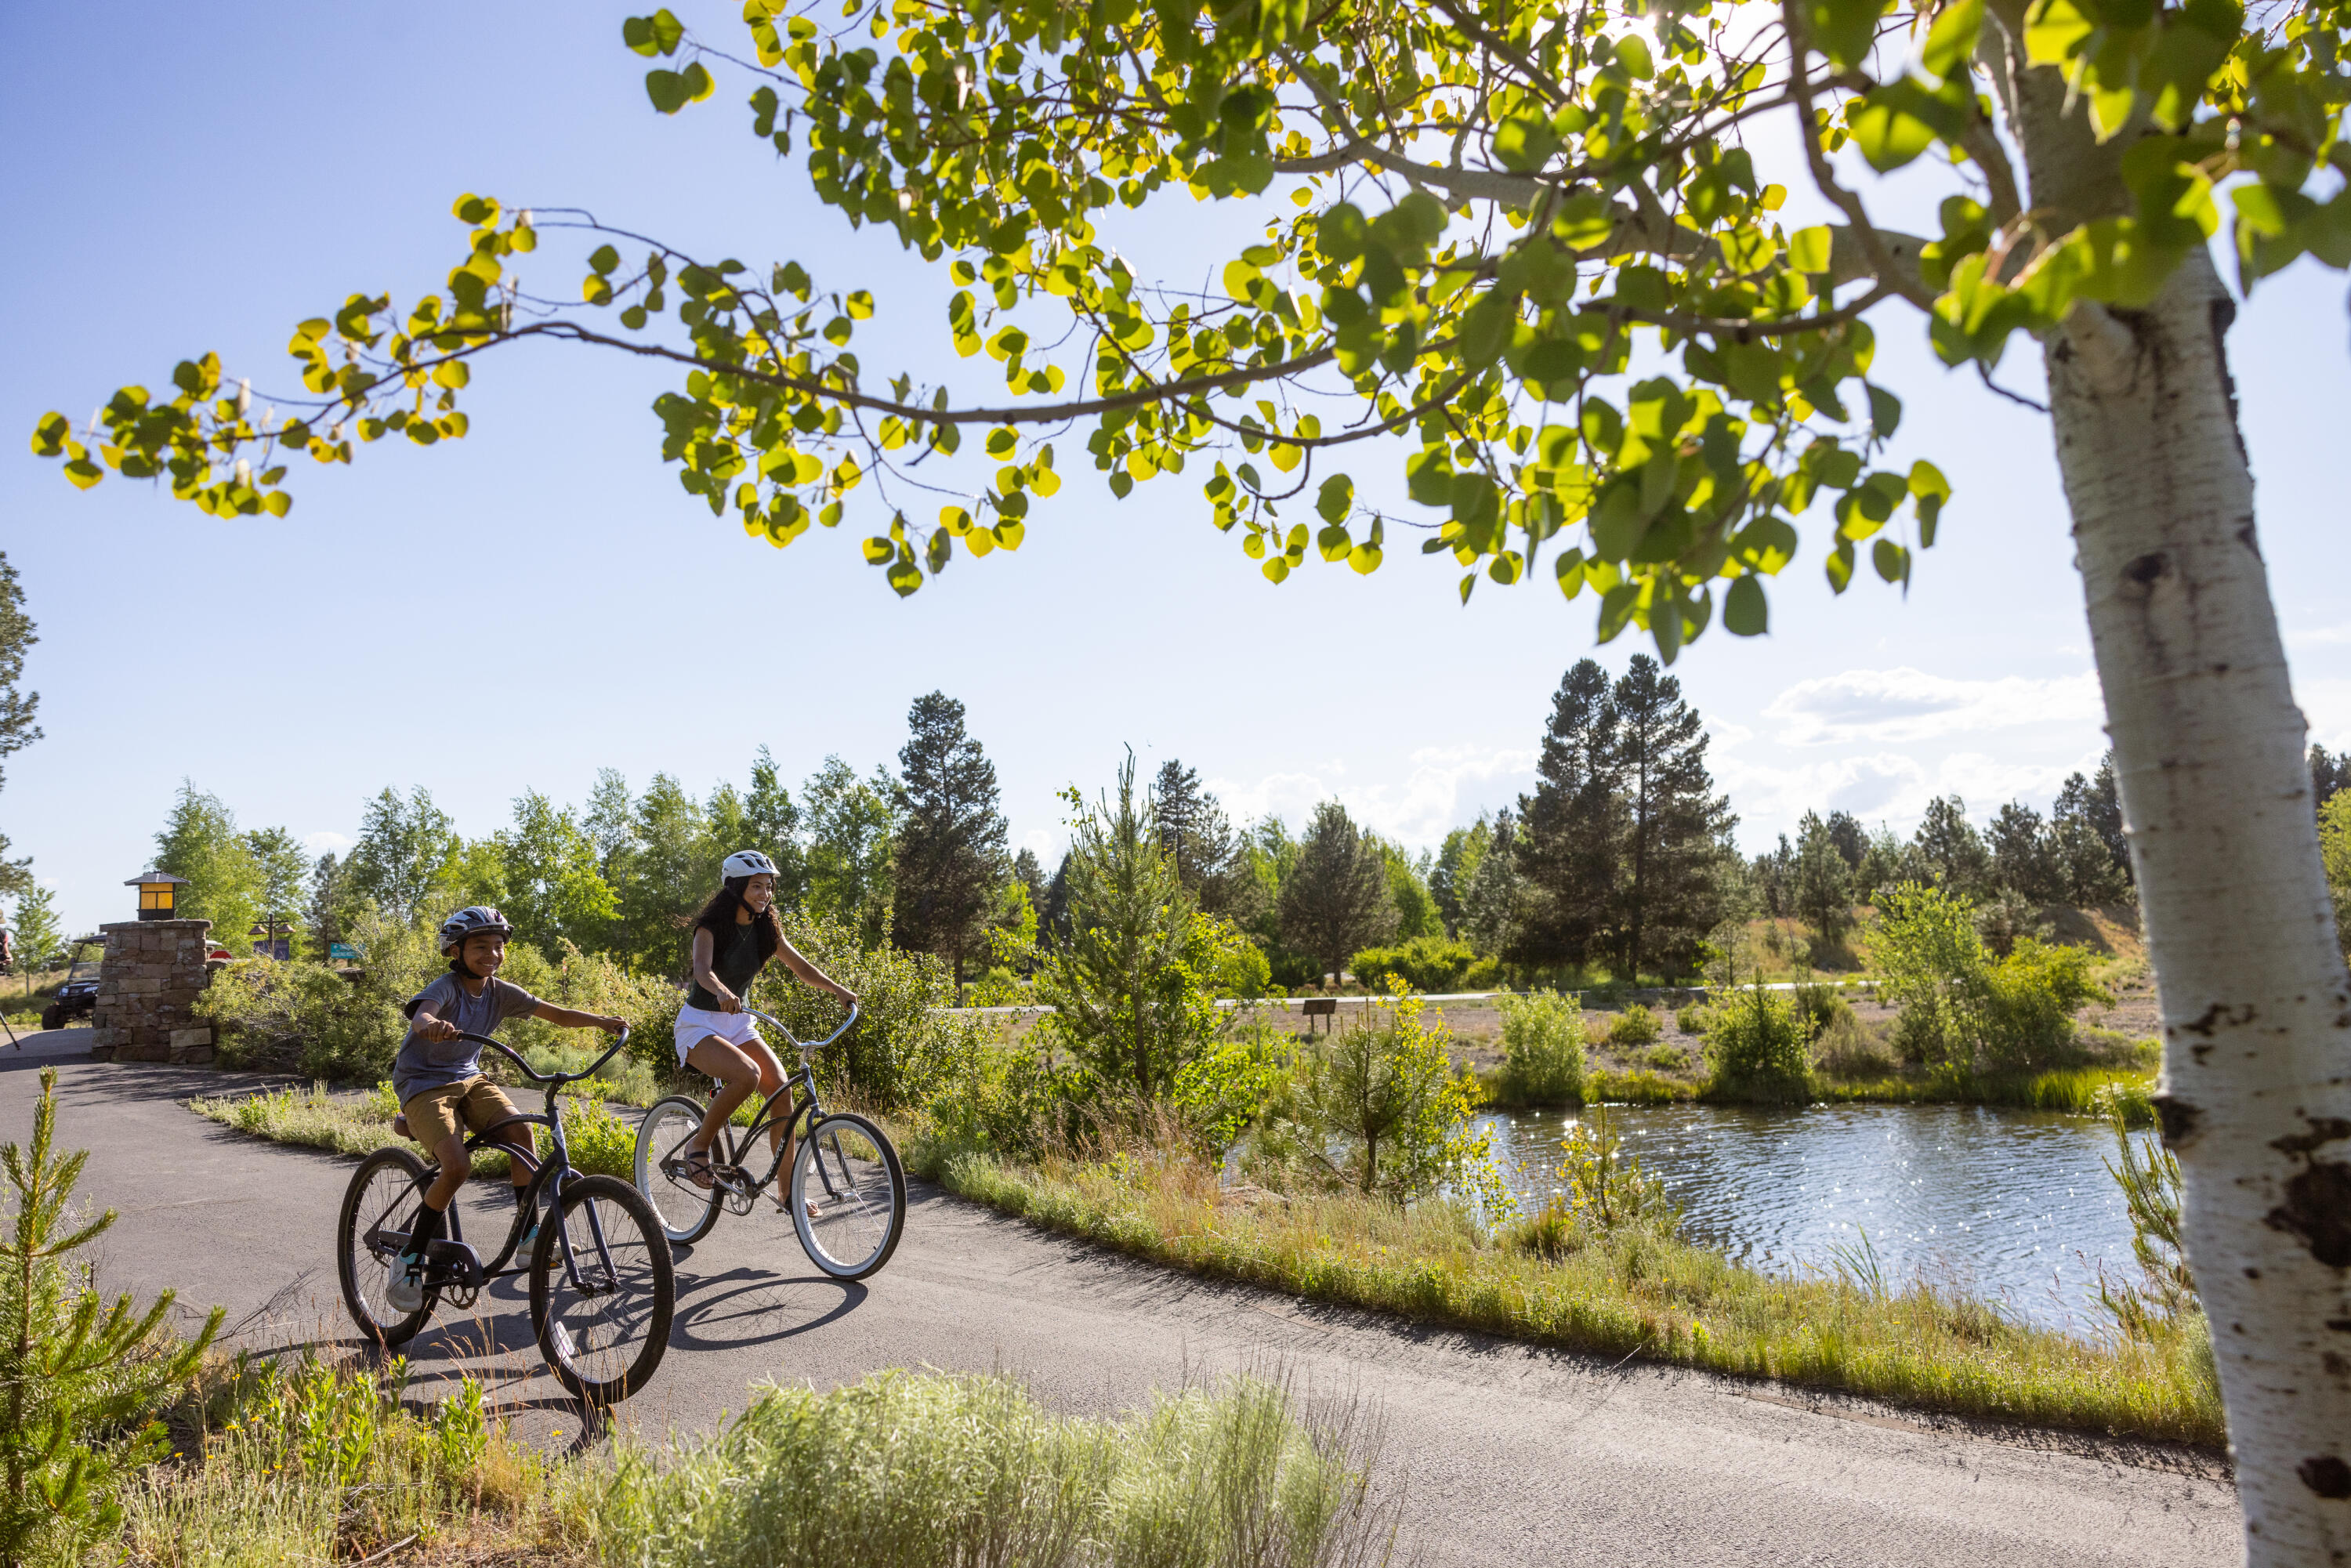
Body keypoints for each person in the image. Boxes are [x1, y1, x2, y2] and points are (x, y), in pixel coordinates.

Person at [386, 906, 625, 1313]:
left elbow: (556, 1013)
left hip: (470, 1078)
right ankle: (409, 1258)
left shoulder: (501, 992)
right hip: (424, 1083)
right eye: (481, 947)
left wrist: (602, 1022)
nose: (492, 955)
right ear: (455, 951)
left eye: (498, 947)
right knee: (457, 1167)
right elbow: (423, 1012)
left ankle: (530, 1236)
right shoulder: (447, 987)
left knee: (521, 1133)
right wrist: (430, 1024)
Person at [672, 850, 857, 1207]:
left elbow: (801, 967)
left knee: (782, 1091)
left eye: (768, 886)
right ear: (736, 887)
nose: (765, 893)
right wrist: (722, 991)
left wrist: (838, 990)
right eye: (756, 886)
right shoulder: (709, 928)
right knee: (748, 1075)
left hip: (739, 1024)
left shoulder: (765, 929)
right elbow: (701, 970)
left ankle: (787, 1195)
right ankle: (699, 1144)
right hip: (699, 1024)